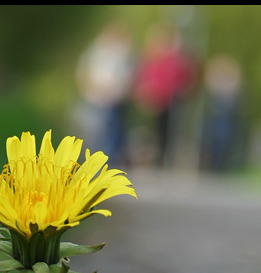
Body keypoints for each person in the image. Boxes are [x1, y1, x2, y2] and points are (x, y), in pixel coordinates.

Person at [133, 22, 198, 168]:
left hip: (173, 100)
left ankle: (167, 158)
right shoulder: (152, 57)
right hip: (156, 100)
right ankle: (153, 158)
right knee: (153, 130)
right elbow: (144, 77)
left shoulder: (179, 59)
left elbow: (187, 78)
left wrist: (184, 90)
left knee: (171, 130)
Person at [74, 22, 134, 165]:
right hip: (93, 99)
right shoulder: (94, 52)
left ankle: (107, 162)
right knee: (93, 133)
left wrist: (114, 91)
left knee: (110, 134)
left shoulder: (122, 54)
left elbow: (126, 78)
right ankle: (92, 163)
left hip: (113, 101)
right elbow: (83, 74)